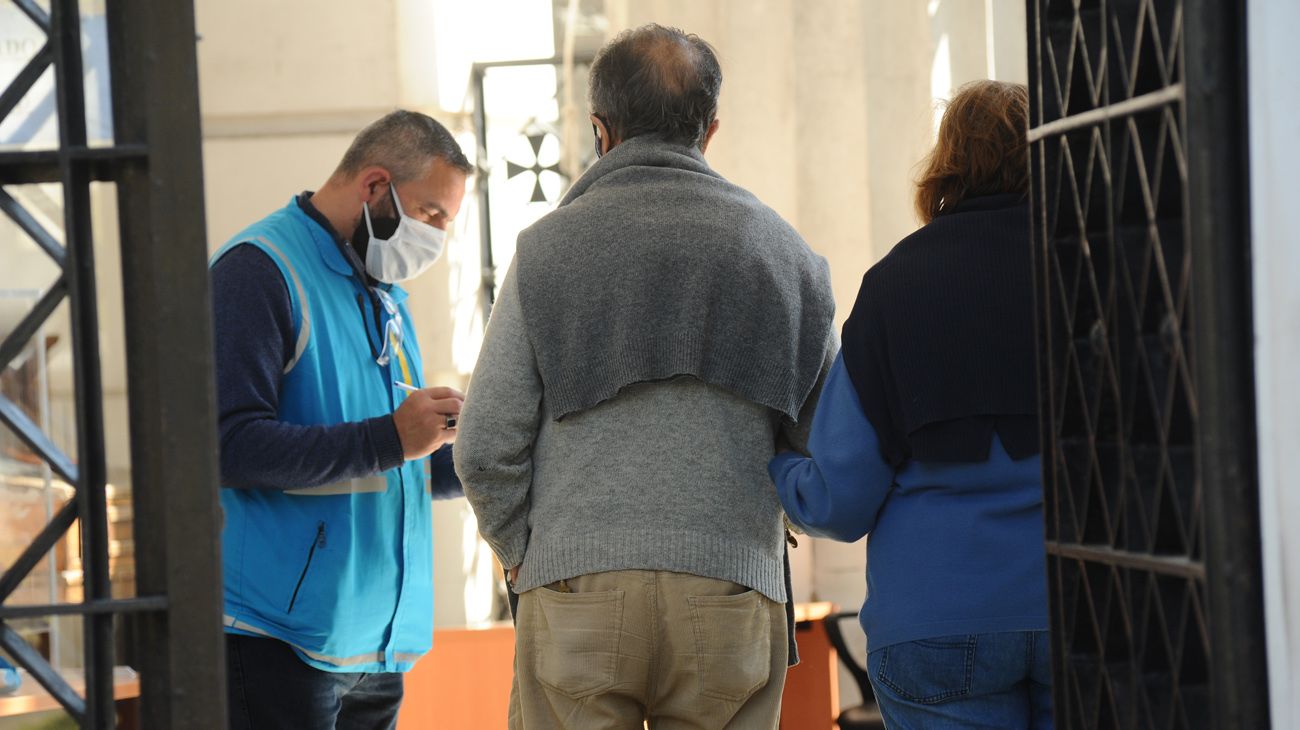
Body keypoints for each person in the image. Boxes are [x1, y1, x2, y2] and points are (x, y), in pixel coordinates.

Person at [454, 24, 835, 730]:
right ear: (711, 128)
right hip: (730, 587)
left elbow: (482, 447)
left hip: (574, 584)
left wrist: (523, 555)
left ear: (600, 128)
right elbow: (822, 448)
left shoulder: (546, 252)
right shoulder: (787, 257)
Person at [769, 80, 1051, 729]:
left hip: (936, 625)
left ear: (947, 163)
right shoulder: (1086, 269)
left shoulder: (895, 288)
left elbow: (841, 500)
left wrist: (776, 467)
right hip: (1084, 611)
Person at [211, 110, 472, 729]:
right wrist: (392, 436)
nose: (438, 237)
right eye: (432, 214)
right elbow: (228, 445)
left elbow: (392, 467)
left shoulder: (382, 297)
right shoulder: (259, 271)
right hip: (278, 638)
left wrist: (484, 453)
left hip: (376, 645)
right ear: (376, 186)